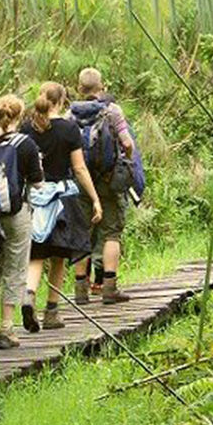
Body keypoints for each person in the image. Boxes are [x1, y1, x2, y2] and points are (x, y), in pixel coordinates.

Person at [21, 82, 102, 332]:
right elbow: (78, 168)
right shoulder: (69, 129)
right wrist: (95, 198)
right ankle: (52, 311)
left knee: (36, 253)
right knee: (58, 256)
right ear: (61, 101)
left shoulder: (27, 128)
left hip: (34, 197)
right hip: (61, 198)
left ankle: (29, 294)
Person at [0, 94, 44, 349]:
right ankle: (6, 329)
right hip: (16, 214)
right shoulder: (25, 144)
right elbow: (37, 181)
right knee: (15, 268)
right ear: (19, 115)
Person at [69, 67, 135, 305]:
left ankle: (80, 290)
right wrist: (126, 159)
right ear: (101, 87)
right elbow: (127, 143)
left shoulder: (70, 114)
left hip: (81, 182)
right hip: (109, 181)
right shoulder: (112, 111)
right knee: (111, 233)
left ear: (79, 88)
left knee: (82, 233)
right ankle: (109, 288)